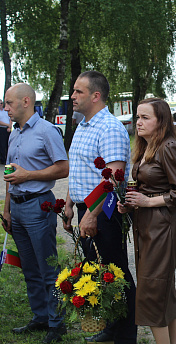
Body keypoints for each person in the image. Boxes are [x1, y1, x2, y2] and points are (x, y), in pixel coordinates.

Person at [63, 71, 137, 343]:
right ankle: (112, 327)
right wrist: (70, 204)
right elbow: (80, 171)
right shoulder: (83, 125)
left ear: (96, 96)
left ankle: (126, 334)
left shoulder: (110, 128)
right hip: (86, 210)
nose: (72, 96)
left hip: (105, 211)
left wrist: (92, 216)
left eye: (78, 91)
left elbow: (113, 180)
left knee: (116, 272)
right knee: (97, 270)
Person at [118, 98, 176, 344]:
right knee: (163, 289)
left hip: (164, 226)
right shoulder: (146, 147)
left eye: (145, 118)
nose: (138, 122)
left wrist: (148, 201)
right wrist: (130, 203)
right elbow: (146, 188)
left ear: (161, 121)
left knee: (151, 292)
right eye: (137, 117)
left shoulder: (170, 147)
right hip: (146, 225)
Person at [2, 83, 69, 343]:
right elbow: (10, 174)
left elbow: (63, 168)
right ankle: (40, 317)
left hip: (38, 206)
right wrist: (7, 210)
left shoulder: (46, 131)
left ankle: (57, 323)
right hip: (17, 208)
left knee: (47, 268)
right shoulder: (14, 133)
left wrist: (28, 175)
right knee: (29, 268)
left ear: (26, 101)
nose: (5, 108)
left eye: (9, 103)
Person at [0, 98, 12, 164]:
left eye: (1, 103)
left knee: (9, 144)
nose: (0, 105)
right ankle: (3, 159)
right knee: (2, 144)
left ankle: (9, 158)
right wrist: (7, 124)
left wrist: (9, 126)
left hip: (8, 128)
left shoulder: (5, 111)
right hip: (1, 129)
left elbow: (10, 118)